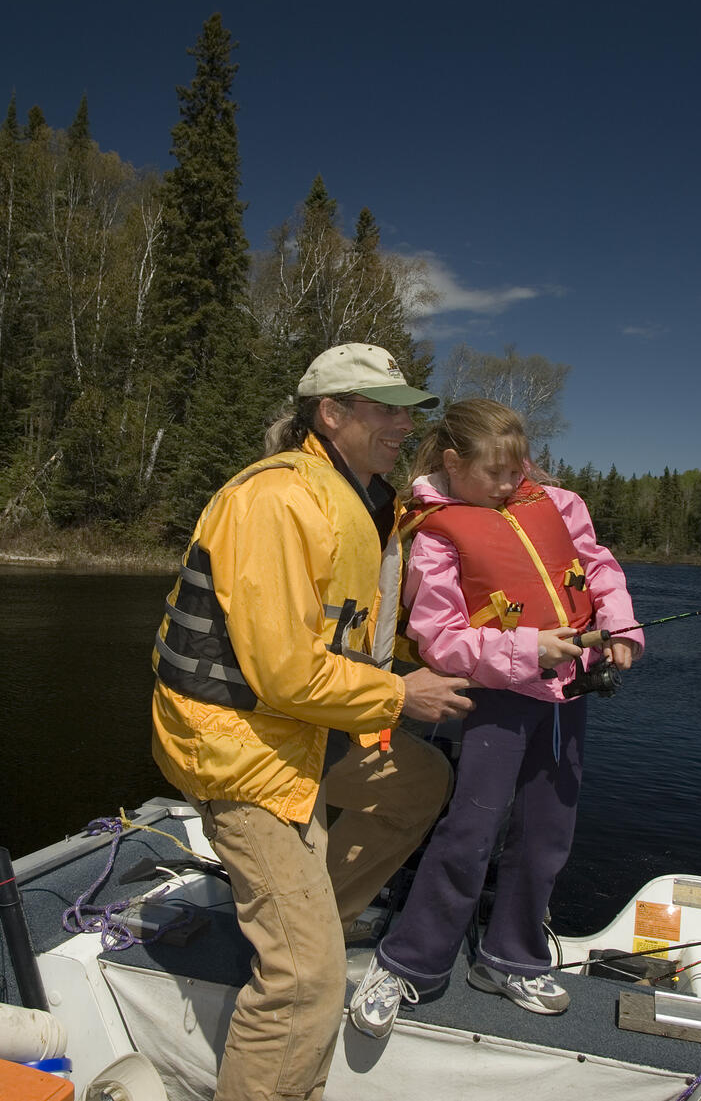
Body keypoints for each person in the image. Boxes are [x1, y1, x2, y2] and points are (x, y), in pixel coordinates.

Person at [150, 342, 474, 1101]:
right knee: (305, 984)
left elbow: (368, 633)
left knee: (419, 781)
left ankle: (312, 918)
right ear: (332, 413)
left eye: (407, 409)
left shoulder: (370, 503)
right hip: (236, 747)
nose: (404, 422)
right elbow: (285, 669)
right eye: (386, 408)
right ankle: (303, 955)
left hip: (305, 731)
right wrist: (401, 697)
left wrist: (487, 654)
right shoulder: (277, 499)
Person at [350, 397, 644, 1037]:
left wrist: (619, 626)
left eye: (519, 470)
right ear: (453, 463)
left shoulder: (560, 506)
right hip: (498, 694)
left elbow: (598, 568)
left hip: (566, 697)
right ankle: (410, 962)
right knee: (469, 833)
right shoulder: (436, 530)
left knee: (547, 835)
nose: (512, 486)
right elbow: (439, 639)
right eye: (496, 474)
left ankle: (510, 958)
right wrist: (526, 648)